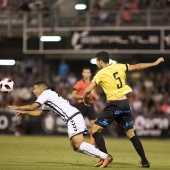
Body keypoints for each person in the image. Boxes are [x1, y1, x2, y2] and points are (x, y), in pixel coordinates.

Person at [83, 51, 164, 168]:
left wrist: (84, 97)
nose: (96, 64)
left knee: (95, 130)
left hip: (114, 104)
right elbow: (137, 67)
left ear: (101, 61)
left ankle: (105, 157)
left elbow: (88, 88)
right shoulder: (119, 66)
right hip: (125, 103)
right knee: (131, 134)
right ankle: (145, 161)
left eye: (96, 61)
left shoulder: (100, 73)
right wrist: (154, 63)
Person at [8, 81, 113, 168]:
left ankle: (105, 156)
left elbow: (32, 107)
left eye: (35, 88)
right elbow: (40, 112)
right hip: (72, 117)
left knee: (79, 144)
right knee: (76, 147)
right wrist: (25, 112)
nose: (33, 91)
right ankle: (103, 156)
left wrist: (17, 107)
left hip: (72, 117)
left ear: (41, 89)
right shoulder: (48, 97)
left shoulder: (46, 94)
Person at [72, 67, 97, 145]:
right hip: (81, 105)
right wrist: (83, 97)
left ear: (90, 74)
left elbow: (93, 94)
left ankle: (92, 143)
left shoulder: (93, 84)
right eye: (85, 72)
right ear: (82, 74)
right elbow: (73, 95)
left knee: (94, 125)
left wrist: (96, 96)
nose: (86, 74)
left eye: (88, 72)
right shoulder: (79, 83)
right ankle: (78, 141)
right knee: (79, 124)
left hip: (90, 105)